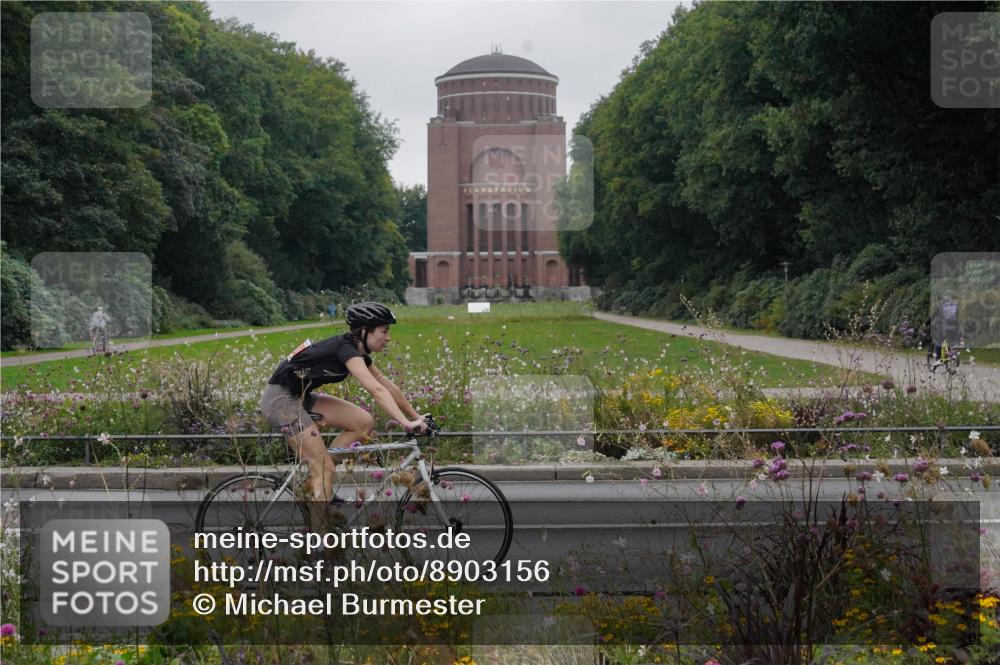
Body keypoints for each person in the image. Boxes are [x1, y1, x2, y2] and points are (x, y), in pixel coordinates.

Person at [259, 302, 427, 524]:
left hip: (301, 397)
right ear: (365, 331)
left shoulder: (357, 352)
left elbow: (386, 385)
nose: (388, 337)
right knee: (323, 468)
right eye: (384, 331)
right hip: (279, 401)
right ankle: (318, 544)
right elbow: (376, 391)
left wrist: (416, 417)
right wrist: (405, 422)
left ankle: (318, 479)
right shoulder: (345, 349)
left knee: (363, 422)